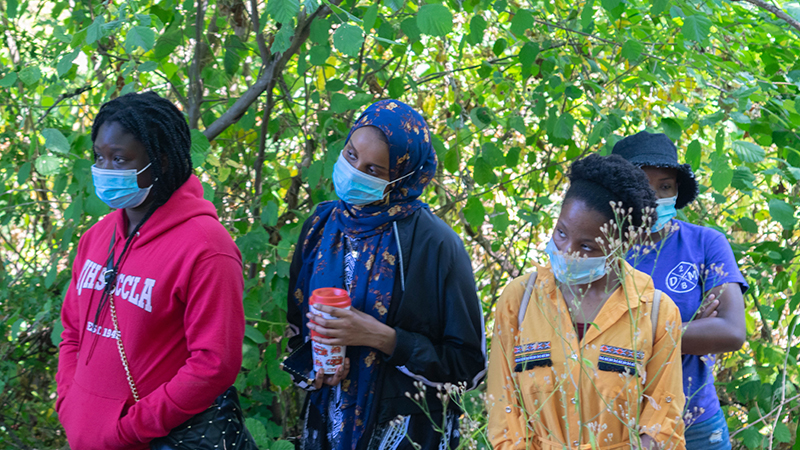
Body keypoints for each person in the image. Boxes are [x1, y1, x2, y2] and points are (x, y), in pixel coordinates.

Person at [286, 99, 486, 450]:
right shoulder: (321, 225)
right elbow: (297, 328)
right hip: (325, 424)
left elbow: (468, 367)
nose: (355, 171)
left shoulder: (436, 244)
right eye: (350, 155)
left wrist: (383, 338)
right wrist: (316, 369)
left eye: (374, 170)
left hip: (405, 433)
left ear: (404, 176)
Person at [55, 91, 245, 449]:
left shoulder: (207, 248)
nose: (105, 170)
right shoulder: (97, 238)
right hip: (85, 435)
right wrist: (70, 401)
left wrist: (129, 429)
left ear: (159, 160)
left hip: (151, 440)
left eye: (120, 159)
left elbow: (214, 363)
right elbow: (73, 331)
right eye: (99, 156)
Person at [487, 154, 687, 450]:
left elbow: (663, 421)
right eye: (561, 233)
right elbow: (503, 410)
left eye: (586, 246)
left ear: (623, 243)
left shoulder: (655, 312)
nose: (566, 252)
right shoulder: (520, 299)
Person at [613, 131, 748, 450]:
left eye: (665, 186)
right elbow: (586, 338)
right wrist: (689, 331)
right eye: (643, 186)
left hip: (696, 420)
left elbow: (731, 331)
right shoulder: (601, 251)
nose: (655, 196)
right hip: (620, 422)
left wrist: (631, 337)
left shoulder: (706, 243)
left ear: (676, 190)